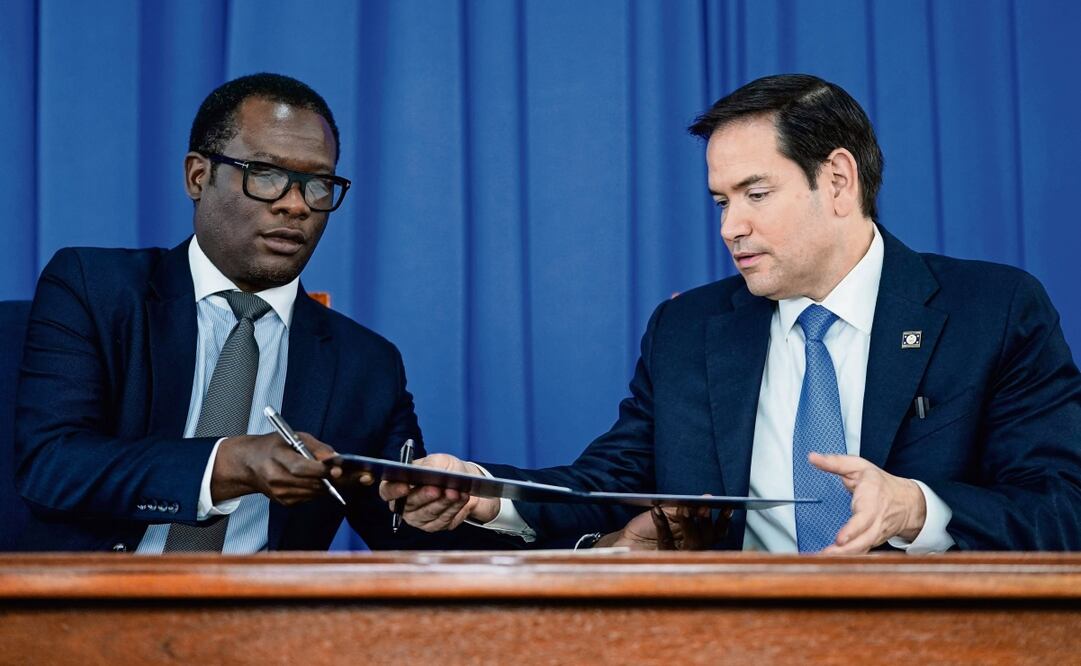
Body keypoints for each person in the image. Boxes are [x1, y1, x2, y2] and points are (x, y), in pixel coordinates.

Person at [382, 73, 1081, 554]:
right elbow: (613, 485)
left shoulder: (992, 311)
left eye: (754, 194)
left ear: (836, 181)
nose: (730, 227)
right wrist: (483, 492)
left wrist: (915, 509)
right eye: (721, 201)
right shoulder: (688, 332)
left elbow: (1060, 509)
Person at [14, 73, 504, 553]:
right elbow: (52, 464)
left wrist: (448, 502)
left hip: (262, 623)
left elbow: (403, 531)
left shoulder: (367, 364)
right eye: (265, 175)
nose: (296, 206)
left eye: (318, 183)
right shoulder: (94, 288)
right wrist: (231, 462)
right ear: (198, 176)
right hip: (92, 609)